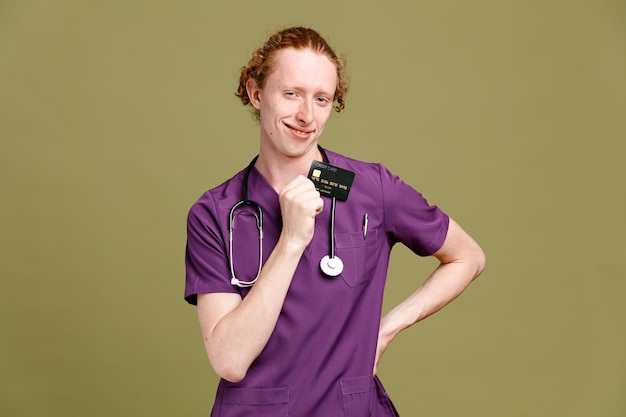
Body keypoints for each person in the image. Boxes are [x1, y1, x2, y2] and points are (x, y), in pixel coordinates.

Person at [184, 26, 486, 416]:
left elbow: (468, 257)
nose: (306, 115)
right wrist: (291, 242)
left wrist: (386, 330)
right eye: (291, 93)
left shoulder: (372, 189)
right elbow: (230, 360)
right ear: (256, 94)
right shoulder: (215, 212)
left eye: (321, 99)